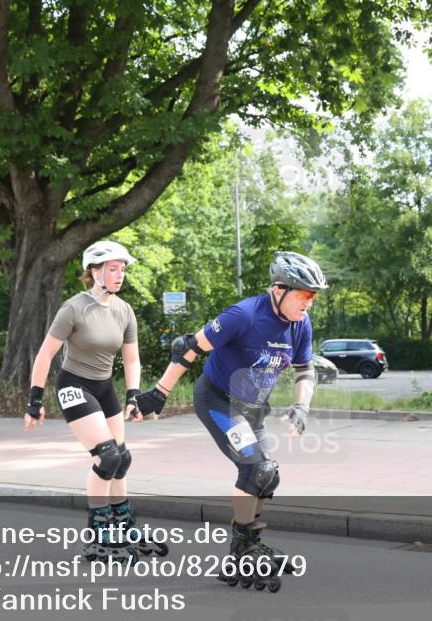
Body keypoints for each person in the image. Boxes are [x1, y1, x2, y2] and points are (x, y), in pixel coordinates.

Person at [130, 251, 328, 591]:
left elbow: (304, 369)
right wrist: (159, 393)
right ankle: (241, 550)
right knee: (256, 470)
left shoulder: (300, 324)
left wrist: (301, 407)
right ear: (278, 290)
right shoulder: (244, 315)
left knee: (268, 476)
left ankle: (247, 544)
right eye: (304, 294)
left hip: (253, 408)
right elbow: (188, 347)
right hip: (218, 400)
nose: (309, 303)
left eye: (313, 296)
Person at [24, 240, 155, 563]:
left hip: (104, 387)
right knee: (106, 457)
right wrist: (35, 400)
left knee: (121, 459)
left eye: (122, 269)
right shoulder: (73, 308)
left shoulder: (124, 310)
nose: (120, 275)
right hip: (74, 385)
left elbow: (131, 359)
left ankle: (122, 523)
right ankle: (97, 534)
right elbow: (45, 354)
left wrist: (134, 395)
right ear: (95, 272)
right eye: (113, 269)